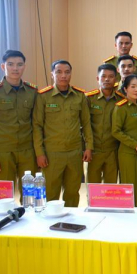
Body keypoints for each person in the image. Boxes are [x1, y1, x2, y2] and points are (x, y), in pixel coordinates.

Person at [33, 60, 93, 207]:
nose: (63, 75)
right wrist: (39, 153)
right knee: (51, 192)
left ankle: (70, 222)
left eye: (67, 72)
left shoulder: (79, 96)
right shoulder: (43, 96)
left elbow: (86, 123)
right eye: (59, 72)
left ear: (71, 74)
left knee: (72, 192)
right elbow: (37, 126)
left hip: (74, 152)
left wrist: (89, 147)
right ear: (52, 74)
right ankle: (50, 224)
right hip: (52, 153)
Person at [0, 50, 38, 198]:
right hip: (3, 152)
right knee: (4, 196)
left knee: (29, 195)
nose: (15, 68)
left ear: (24, 67)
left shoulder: (32, 91)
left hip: (28, 151)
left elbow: (37, 124)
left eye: (19, 65)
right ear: (3, 66)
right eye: (10, 64)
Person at [112, 75, 137, 208]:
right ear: (125, 89)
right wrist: (136, 145)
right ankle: (129, 213)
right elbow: (116, 131)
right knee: (130, 185)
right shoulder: (121, 107)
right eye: (133, 86)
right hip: (128, 153)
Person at [85, 64, 124, 184]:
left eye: (111, 76)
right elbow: (85, 124)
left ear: (116, 79)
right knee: (92, 189)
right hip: (93, 150)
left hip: (112, 151)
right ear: (98, 79)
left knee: (110, 188)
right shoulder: (89, 98)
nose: (107, 79)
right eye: (103, 76)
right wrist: (87, 148)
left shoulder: (121, 100)